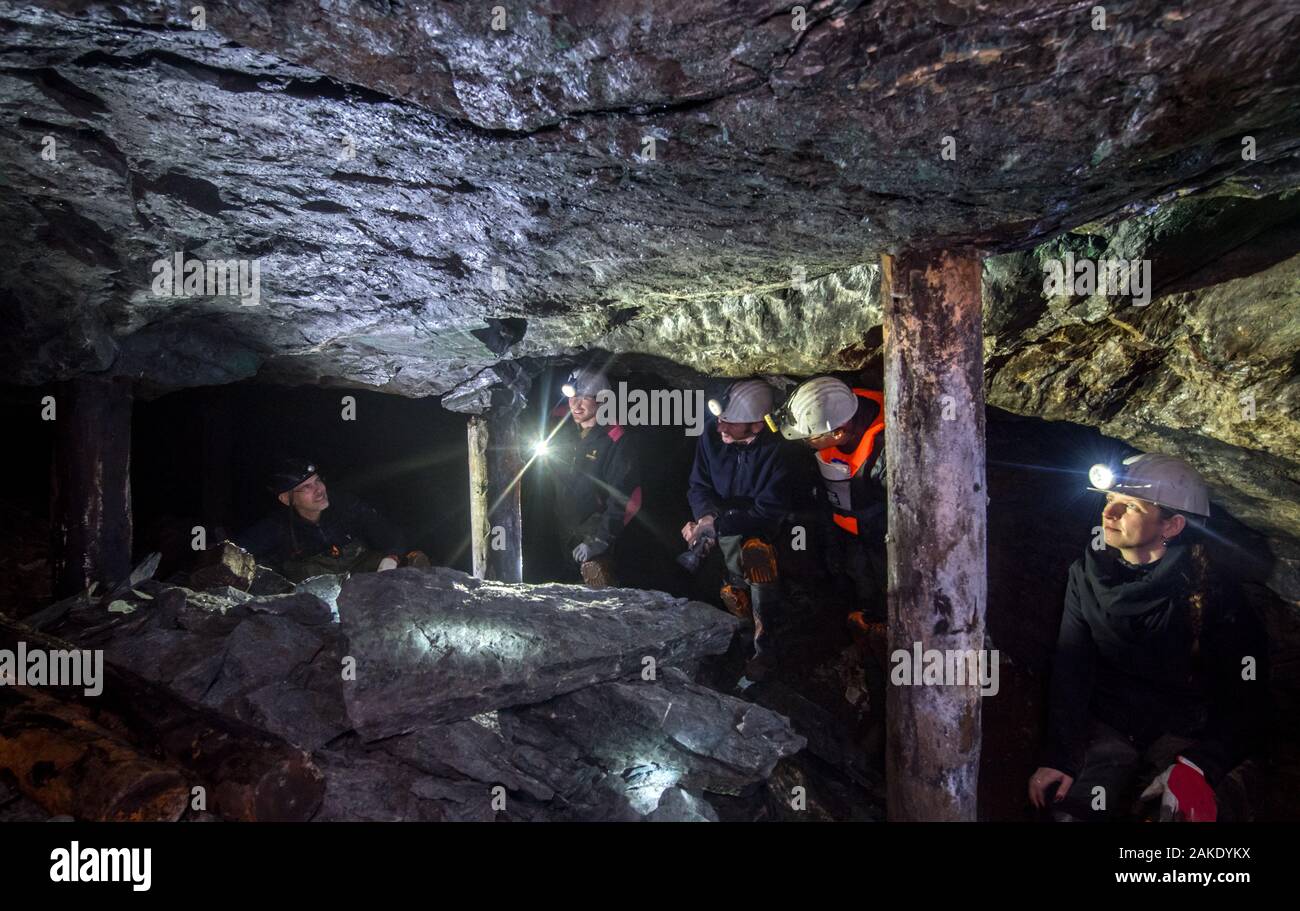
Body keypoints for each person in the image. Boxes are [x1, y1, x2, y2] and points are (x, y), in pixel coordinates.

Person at [1028, 453, 1267, 822]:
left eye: (1131, 506)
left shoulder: (1213, 590)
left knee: (1180, 817)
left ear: (1171, 526)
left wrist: (1200, 764)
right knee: (1071, 814)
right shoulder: (1087, 576)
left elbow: (1248, 693)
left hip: (1185, 729)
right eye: (1109, 500)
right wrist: (1059, 755)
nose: (1109, 513)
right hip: (1113, 726)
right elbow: (1071, 667)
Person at [682, 379, 794, 679]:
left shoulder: (779, 451)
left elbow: (768, 510)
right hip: (723, 523)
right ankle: (737, 640)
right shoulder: (712, 435)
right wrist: (705, 517)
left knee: (758, 561)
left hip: (767, 527)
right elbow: (699, 485)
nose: (721, 427)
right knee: (729, 588)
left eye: (729, 423)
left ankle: (765, 650)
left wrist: (718, 524)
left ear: (757, 425)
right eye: (720, 419)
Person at [770, 376, 887, 630]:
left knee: (885, 579)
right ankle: (866, 614)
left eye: (809, 438)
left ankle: (885, 623)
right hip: (844, 523)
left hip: (880, 531)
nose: (805, 442)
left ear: (838, 432)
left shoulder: (888, 450)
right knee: (856, 572)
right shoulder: (834, 403)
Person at [235, 457, 430, 582]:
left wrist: (392, 557)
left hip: (358, 574)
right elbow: (235, 551)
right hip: (316, 592)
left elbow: (386, 531)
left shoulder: (344, 505)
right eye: (307, 487)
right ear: (286, 499)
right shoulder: (276, 527)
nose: (319, 490)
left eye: (318, 481)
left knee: (411, 562)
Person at [546, 366, 642, 588]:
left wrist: (599, 539)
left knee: (597, 585)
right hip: (564, 522)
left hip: (596, 527)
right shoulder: (562, 428)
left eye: (584, 398)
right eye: (572, 397)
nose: (575, 405)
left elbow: (626, 498)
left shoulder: (616, 440)